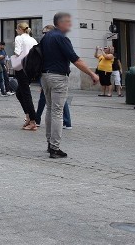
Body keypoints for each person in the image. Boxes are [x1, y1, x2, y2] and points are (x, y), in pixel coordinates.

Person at [39, 13, 99, 158]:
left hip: (45, 76)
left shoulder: (46, 37)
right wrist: (92, 74)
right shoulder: (61, 38)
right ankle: (55, 147)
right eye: (67, 22)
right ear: (60, 23)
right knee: (57, 112)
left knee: (50, 109)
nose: (70, 25)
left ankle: (49, 143)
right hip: (58, 77)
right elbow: (75, 60)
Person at [12, 22, 39, 130]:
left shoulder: (19, 38)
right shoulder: (33, 39)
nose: (16, 31)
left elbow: (18, 52)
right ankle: (28, 116)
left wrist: (14, 56)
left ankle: (32, 120)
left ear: (19, 29)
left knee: (26, 94)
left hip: (22, 67)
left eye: (16, 29)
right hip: (31, 69)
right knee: (19, 93)